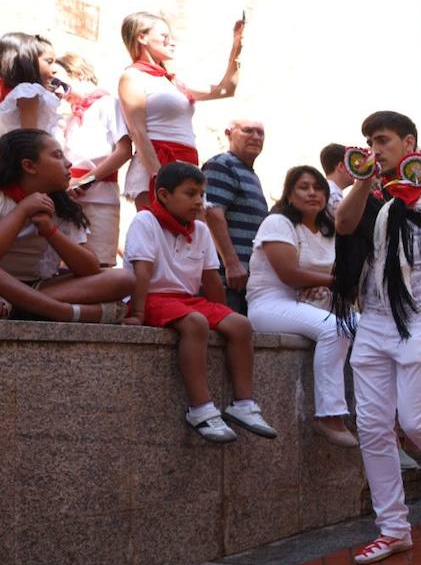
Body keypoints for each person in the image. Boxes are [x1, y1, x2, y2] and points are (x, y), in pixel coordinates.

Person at [332, 110, 421, 565]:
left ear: (408, 142)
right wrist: (361, 181)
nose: (375, 149)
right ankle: (394, 528)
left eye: (383, 140)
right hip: (375, 317)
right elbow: (343, 225)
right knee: (373, 427)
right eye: (369, 142)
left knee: (417, 421)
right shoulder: (374, 195)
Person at [124, 162, 276, 442]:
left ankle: (243, 404)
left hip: (187, 300)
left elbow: (211, 280)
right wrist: (136, 313)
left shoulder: (202, 230)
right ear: (164, 195)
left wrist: (222, 316)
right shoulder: (146, 221)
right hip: (153, 297)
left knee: (241, 324)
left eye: (202, 194)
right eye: (190, 193)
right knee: (195, 323)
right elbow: (142, 272)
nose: (198, 201)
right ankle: (200, 408)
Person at [245, 165, 355, 447]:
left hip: (315, 305)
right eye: (303, 187)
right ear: (289, 195)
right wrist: (333, 282)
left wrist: (326, 284)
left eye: (318, 188)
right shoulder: (278, 222)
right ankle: (329, 414)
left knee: (373, 327)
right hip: (270, 304)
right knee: (336, 328)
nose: (312, 193)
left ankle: (383, 418)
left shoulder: (330, 230)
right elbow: (289, 274)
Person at [0, 129, 131, 322]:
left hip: (41, 287)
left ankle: (18, 307)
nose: (68, 163)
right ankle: (63, 312)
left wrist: (50, 231)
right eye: (57, 156)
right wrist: (22, 211)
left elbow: (90, 268)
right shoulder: (3, 199)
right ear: (29, 166)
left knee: (123, 279)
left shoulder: (62, 206)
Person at [118, 12, 242, 209]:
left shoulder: (173, 81)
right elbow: (138, 131)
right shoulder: (133, 76)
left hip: (187, 162)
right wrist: (159, 177)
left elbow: (226, 90)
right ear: (142, 37)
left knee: (192, 233)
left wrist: (236, 49)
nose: (172, 43)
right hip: (157, 163)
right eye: (165, 37)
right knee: (157, 232)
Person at [57, 53, 132, 267]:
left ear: (78, 75)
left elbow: (123, 150)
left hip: (100, 200)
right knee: (65, 265)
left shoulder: (108, 104)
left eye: (61, 83)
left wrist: (85, 181)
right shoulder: (71, 116)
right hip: (70, 198)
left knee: (99, 262)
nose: (60, 93)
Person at [204, 120, 269, 314]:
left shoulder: (248, 172)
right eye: (248, 131)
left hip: (245, 276)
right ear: (229, 133)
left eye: (260, 133)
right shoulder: (222, 164)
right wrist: (231, 264)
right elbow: (212, 214)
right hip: (230, 277)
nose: (256, 137)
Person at [0, 33, 61, 137]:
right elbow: (30, 142)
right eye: (49, 61)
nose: (55, 70)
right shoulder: (28, 92)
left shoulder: (24, 91)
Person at [319, 142, 352, 215]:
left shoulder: (326, 190)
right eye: (352, 164)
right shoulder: (333, 194)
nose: (355, 170)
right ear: (341, 166)